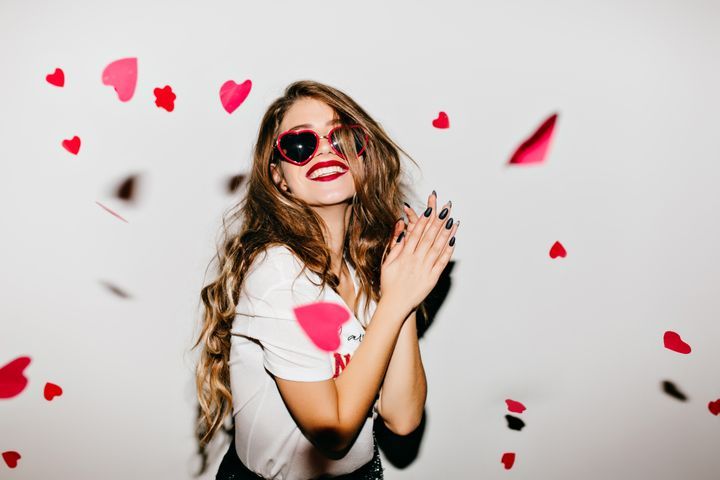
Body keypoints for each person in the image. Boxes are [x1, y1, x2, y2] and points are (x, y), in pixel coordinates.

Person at [193, 80, 459, 479]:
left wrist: (398, 294)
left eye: (342, 137)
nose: (323, 150)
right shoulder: (277, 275)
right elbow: (333, 430)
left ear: (364, 157)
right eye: (299, 145)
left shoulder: (365, 263)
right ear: (279, 177)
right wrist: (394, 303)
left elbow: (402, 418)